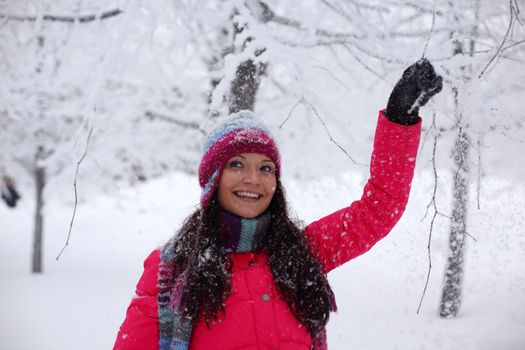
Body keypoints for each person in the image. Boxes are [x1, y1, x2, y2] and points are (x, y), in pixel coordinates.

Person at [113, 58, 443, 350]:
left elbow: (380, 207)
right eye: (236, 164)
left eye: (265, 168)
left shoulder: (302, 252)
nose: (253, 179)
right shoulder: (173, 269)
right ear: (213, 179)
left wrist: (399, 119)